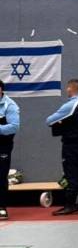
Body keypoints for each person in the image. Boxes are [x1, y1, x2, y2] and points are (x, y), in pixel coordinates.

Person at [47, 79, 78, 215]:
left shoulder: (70, 105)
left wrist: (60, 121)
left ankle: (70, 205)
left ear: (70, 89)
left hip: (71, 145)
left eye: (67, 88)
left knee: (71, 173)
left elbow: (49, 120)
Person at [0, 80, 20, 221]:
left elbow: (14, 126)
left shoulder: (10, 105)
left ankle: (2, 207)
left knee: (1, 176)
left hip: (3, 145)